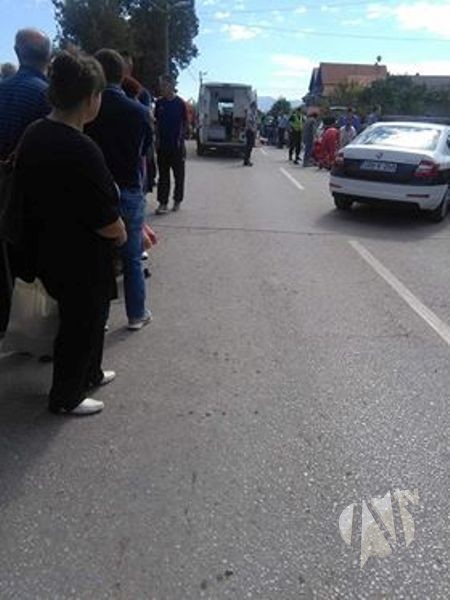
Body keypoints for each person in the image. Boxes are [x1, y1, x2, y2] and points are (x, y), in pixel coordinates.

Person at [13, 51, 127, 416]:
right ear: (91, 97)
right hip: (77, 255)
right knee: (81, 322)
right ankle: (67, 395)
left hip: (43, 246)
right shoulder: (81, 148)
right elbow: (104, 217)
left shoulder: (35, 132)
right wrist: (121, 234)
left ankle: (90, 373)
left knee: (89, 318)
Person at [86, 49, 153, 331]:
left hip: (94, 191)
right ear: (123, 74)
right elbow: (146, 151)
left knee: (98, 259)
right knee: (132, 257)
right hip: (129, 189)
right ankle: (136, 315)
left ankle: (98, 320)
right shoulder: (139, 111)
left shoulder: (87, 109)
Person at [0, 29, 51, 335]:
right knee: (36, 265)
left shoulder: (2, 90)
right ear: (48, 56)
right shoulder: (47, 95)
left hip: (2, 189)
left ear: (18, 53)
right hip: (33, 194)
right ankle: (34, 330)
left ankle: (7, 322)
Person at [154, 74, 188, 214]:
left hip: (177, 146)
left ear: (171, 86)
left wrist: (182, 140)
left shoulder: (180, 103)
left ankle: (177, 200)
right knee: (163, 176)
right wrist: (156, 139)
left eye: (164, 85)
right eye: (161, 85)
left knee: (179, 175)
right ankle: (163, 203)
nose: (162, 88)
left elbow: (185, 124)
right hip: (162, 146)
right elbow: (156, 123)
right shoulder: (159, 103)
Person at [243, 100, 258, 167]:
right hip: (249, 131)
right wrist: (252, 129)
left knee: (250, 147)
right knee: (249, 147)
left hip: (251, 131)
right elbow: (249, 122)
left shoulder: (253, 113)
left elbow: (254, 122)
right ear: (252, 106)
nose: (256, 107)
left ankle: (247, 160)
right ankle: (246, 161)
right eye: (255, 106)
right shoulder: (250, 113)